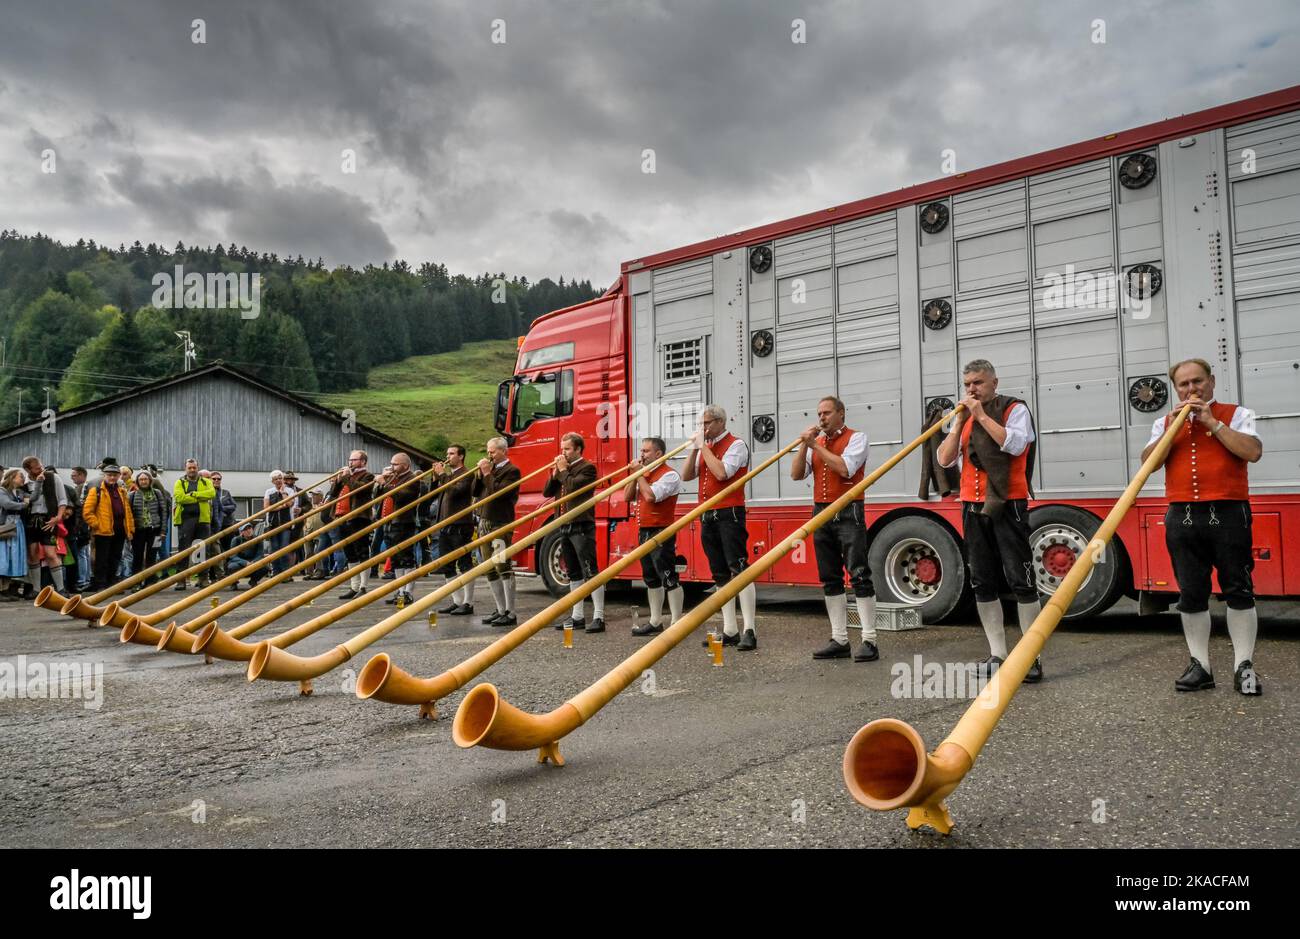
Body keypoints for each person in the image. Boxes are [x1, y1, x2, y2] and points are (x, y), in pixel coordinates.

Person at [1140, 358, 1264, 695]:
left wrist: (1212, 422)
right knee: (1190, 592)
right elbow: (1148, 463)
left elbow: (1252, 452)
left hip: (1228, 512)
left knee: (1237, 587)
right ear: (1176, 389)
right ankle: (1201, 665)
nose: (1192, 389)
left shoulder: (1237, 413)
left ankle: (1244, 666)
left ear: (1210, 381)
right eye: (1184, 384)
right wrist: (1173, 428)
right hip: (1182, 515)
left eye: (1197, 382)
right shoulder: (1165, 422)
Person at [936, 359, 1042, 682]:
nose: (971, 390)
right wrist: (957, 425)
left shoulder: (1014, 409)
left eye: (978, 383)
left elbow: (1016, 443)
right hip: (972, 505)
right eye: (967, 384)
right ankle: (998, 653)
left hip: (1008, 502)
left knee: (1020, 580)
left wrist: (981, 415)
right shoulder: (963, 419)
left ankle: (1030, 658)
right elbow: (944, 459)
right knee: (981, 580)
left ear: (994, 382)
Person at [792, 396, 878, 661]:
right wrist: (802, 447)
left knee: (859, 573)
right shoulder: (817, 443)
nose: (821, 418)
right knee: (830, 577)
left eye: (827, 413)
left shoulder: (857, 438)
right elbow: (796, 475)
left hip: (849, 509)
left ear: (841, 413)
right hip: (821, 511)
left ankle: (869, 640)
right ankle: (840, 638)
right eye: (819, 414)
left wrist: (815, 448)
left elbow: (845, 469)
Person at [682, 405, 758, 651]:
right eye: (701, 424)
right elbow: (685, 476)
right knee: (720, 573)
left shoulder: (736, 445)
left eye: (706, 423)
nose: (702, 428)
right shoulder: (707, 448)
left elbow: (723, 473)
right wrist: (695, 450)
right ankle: (730, 629)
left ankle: (749, 629)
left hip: (729, 513)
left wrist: (703, 446)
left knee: (739, 568)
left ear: (719, 422)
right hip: (707, 514)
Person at [622, 437, 683, 636]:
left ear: (658, 454)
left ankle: (676, 622)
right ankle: (655, 621)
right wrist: (634, 476)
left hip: (661, 530)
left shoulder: (669, 475)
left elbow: (650, 496)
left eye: (646, 451)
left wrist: (638, 474)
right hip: (644, 530)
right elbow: (627, 497)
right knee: (650, 577)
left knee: (667, 575)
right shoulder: (644, 473)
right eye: (641, 450)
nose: (642, 454)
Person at [546, 433, 605, 633]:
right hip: (564, 525)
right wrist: (555, 472)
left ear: (578, 449)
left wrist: (562, 470)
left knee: (591, 571)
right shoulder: (564, 470)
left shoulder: (587, 468)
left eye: (567, 449)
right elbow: (547, 492)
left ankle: (599, 616)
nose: (563, 453)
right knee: (573, 573)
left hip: (581, 526)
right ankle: (577, 616)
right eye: (562, 449)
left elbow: (572, 488)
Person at [469, 437, 521, 626]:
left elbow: (498, 493)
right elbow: (475, 492)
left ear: (503, 451)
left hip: (500, 523)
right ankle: (500, 609)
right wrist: (479, 475)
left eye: (492, 452)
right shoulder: (489, 471)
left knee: (502, 565)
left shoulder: (512, 471)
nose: (488, 455)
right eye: (488, 451)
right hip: (484, 522)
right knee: (488, 567)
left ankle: (511, 611)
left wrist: (487, 473)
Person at [373, 453, 424, 606]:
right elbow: (378, 496)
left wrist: (385, 483)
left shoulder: (412, 479)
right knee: (396, 560)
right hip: (389, 521)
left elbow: (402, 496)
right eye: (391, 463)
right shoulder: (393, 478)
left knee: (406, 559)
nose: (392, 466)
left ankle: (408, 591)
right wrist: (380, 483)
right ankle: (400, 591)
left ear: (405, 465)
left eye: (395, 464)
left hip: (404, 522)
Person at [431, 445, 477, 615]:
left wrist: (442, 475)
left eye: (451, 453)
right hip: (445, 524)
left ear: (461, 456)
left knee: (465, 563)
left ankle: (468, 602)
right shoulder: (450, 476)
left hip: (460, 525)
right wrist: (436, 477)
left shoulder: (467, 473)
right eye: (447, 453)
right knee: (447, 565)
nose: (447, 456)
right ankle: (457, 601)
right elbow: (436, 494)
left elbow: (456, 492)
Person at [329, 451, 377, 599]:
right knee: (350, 553)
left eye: (354, 460)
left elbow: (359, 489)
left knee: (362, 551)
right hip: (342, 518)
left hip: (359, 518)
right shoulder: (346, 476)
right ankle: (354, 587)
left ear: (363, 462)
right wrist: (338, 480)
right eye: (350, 460)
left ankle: (363, 586)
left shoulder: (368, 476)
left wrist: (347, 476)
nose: (350, 462)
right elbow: (333, 494)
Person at [20, 457, 69, 596]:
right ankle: (36, 589)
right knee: (33, 554)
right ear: (28, 470)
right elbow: (27, 501)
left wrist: (58, 517)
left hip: (48, 519)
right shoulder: (24, 482)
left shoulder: (53, 477)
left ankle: (61, 588)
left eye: (41, 466)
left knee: (50, 554)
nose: (41, 469)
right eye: (37, 468)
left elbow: (62, 499)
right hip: (30, 520)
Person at [83, 464, 135, 592]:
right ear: (105, 476)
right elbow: (87, 512)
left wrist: (130, 528)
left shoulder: (121, 491)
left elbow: (127, 512)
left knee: (116, 558)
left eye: (115, 475)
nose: (112, 477)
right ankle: (100, 584)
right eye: (109, 475)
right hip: (103, 532)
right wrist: (97, 524)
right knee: (102, 559)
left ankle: (112, 584)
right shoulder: (96, 491)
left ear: (118, 476)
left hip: (119, 531)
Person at [171, 458, 215, 590]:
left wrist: (193, 494)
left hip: (203, 519)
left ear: (197, 467)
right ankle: (181, 580)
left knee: (203, 549)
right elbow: (179, 498)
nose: (192, 470)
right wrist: (201, 496)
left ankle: (203, 578)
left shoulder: (206, 481)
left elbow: (211, 493)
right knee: (183, 550)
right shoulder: (180, 482)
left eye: (194, 467)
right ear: (185, 468)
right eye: (189, 468)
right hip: (185, 520)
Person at [128, 469, 168, 588]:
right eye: (141, 479)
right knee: (137, 556)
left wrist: (163, 530)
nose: (143, 481)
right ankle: (136, 582)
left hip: (154, 530)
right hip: (138, 531)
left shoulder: (157, 493)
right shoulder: (132, 495)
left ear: (150, 480)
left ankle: (150, 581)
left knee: (152, 555)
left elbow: (163, 511)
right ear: (137, 481)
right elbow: (129, 514)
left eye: (145, 479)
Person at [0, 468, 31, 600]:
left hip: (16, 526)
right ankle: (1, 590)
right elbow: (7, 505)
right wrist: (24, 505)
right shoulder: (2, 491)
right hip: (6, 526)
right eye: (20, 477)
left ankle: (6, 589)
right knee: (4, 557)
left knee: (12, 558)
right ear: (12, 478)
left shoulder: (19, 492)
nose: (22, 480)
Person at [262, 470, 297, 576]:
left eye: (280, 478)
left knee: (284, 548)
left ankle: (285, 573)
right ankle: (276, 571)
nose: (278, 480)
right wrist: (281, 507)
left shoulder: (289, 491)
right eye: (275, 479)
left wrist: (283, 493)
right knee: (274, 548)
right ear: (272, 481)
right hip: (272, 524)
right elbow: (266, 508)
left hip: (286, 524)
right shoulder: (269, 491)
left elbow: (290, 503)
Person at [225, 521, 269, 590]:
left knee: (265, 567)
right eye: (245, 529)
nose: (248, 531)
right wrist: (244, 562)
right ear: (241, 532)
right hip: (239, 563)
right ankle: (233, 582)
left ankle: (253, 581)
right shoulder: (236, 540)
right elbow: (233, 556)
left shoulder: (258, 539)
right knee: (231, 567)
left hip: (253, 562)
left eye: (250, 528)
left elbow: (260, 554)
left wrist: (253, 562)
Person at [68, 466, 92, 591]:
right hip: (83, 526)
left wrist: (79, 527)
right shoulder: (81, 487)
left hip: (82, 526)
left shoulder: (83, 488)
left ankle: (82, 579)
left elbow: (81, 509)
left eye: (74, 475)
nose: (72, 477)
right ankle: (86, 578)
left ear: (82, 475)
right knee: (84, 553)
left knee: (81, 553)